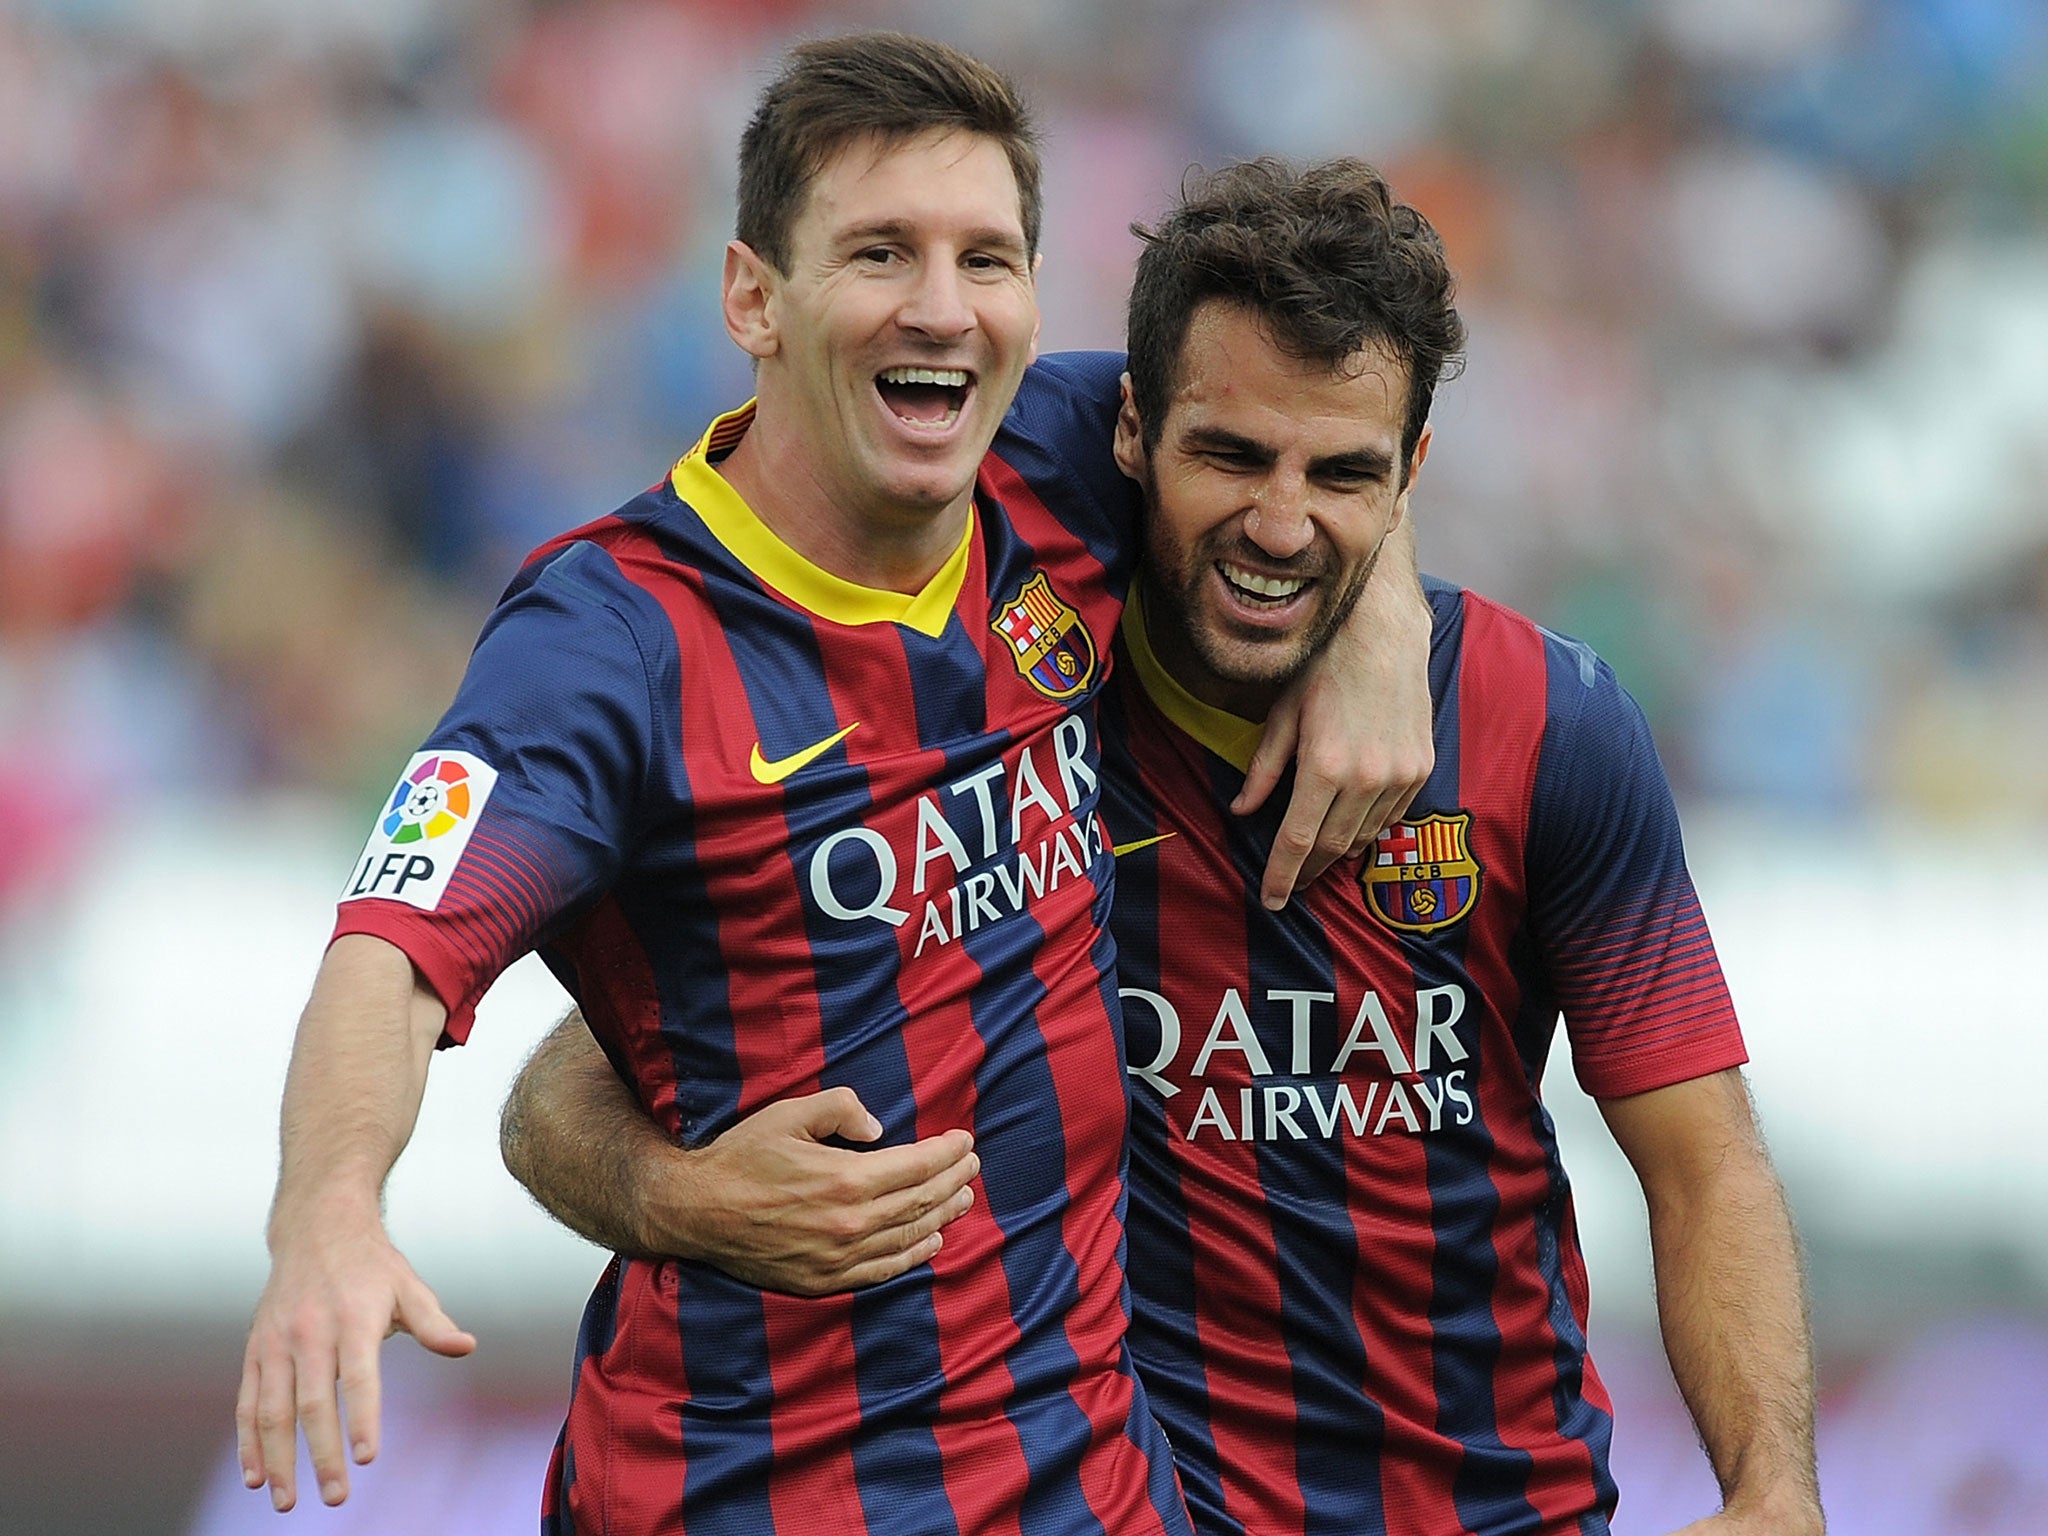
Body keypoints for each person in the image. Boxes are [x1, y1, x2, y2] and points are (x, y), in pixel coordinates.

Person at [503, 159, 1826, 1536]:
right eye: (1233, 455)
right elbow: (576, 1083)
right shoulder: (1001, 731)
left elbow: (1704, 1159)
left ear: (1412, 472)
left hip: (1501, 1505)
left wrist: (1774, 1490)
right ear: (1134, 431)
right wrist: (678, 1195)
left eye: (1345, 474)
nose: (1278, 522)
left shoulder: (1550, 727)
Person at [233, 35, 1434, 1534]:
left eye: (986, 258)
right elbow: (393, 953)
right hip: (743, 1488)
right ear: (754, 297)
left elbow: (1305, 441)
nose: (943, 305)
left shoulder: (1059, 459)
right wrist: (330, 1213)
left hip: (1088, 1488)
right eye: (880, 252)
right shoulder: (609, 640)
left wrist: (1386, 608)